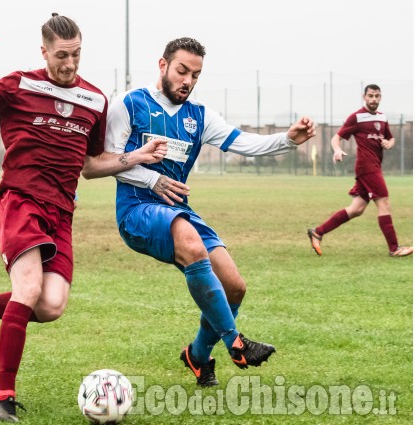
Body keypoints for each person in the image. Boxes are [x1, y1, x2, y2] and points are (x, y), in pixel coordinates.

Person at [0, 16, 166, 422]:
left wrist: (136, 156)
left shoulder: (95, 100)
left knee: (50, 306)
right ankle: (3, 397)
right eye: (62, 55)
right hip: (21, 202)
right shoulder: (19, 86)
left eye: (76, 54)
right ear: (43, 52)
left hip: (61, 214)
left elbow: (91, 165)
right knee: (27, 289)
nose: (70, 63)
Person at [85, 37, 316, 387]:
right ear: (162, 65)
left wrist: (287, 138)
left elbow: (243, 142)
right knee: (192, 246)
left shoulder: (199, 115)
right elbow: (101, 162)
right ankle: (235, 342)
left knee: (234, 287)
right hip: (136, 210)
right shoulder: (128, 105)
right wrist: (151, 180)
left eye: (195, 75)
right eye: (181, 71)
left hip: (180, 212)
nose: (187, 81)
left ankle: (196, 355)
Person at [307, 84, 412, 258]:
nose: (374, 99)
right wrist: (337, 150)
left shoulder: (382, 117)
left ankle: (317, 232)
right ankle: (394, 248)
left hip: (374, 166)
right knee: (384, 203)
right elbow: (336, 138)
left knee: (356, 209)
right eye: (370, 96)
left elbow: (390, 138)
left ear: (380, 97)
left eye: (377, 96)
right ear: (364, 97)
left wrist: (389, 143)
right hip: (367, 167)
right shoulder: (356, 117)